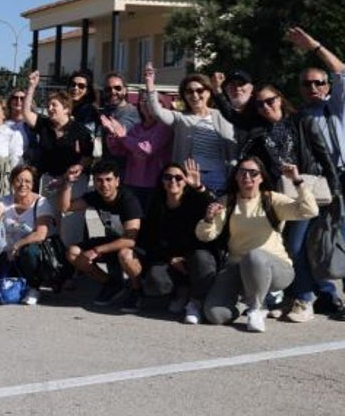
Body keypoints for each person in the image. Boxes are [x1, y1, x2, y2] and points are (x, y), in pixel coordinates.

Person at [236, 84, 340, 322]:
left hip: (304, 192)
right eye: (259, 104)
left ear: (280, 99)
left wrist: (334, 190)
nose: (265, 107)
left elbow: (323, 155)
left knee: (296, 246)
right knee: (286, 248)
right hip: (278, 197)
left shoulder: (301, 121)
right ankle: (293, 297)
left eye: (269, 101)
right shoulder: (259, 131)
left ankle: (305, 299)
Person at [199, 156, 318, 332]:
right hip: (238, 268)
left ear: (261, 177)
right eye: (242, 172)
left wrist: (297, 180)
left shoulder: (272, 199)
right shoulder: (228, 201)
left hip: (276, 269)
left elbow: (310, 211)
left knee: (254, 255)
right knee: (215, 315)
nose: (247, 176)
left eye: (253, 173)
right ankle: (243, 305)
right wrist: (208, 219)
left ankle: (256, 308)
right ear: (236, 176)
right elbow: (206, 236)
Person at [286, 26, 345, 319]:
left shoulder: (337, 107)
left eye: (318, 83)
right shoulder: (296, 118)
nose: (313, 89)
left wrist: (314, 46)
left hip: (342, 179)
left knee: (340, 242)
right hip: (310, 185)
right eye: (307, 85)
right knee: (299, 244)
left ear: (327, 86)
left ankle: (333, 297)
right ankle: (307, 296)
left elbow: (342, 71)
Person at [132, 160, 218, 324]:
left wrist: (199, 186)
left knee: (202, 260)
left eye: (179, 178)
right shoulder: (156, 204)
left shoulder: (196, 200)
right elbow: (149, 239)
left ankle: (195, 301)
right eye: (168, 177)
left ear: (185, 181)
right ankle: (181, 291)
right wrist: (170, 258)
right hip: (169, 258)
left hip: (195, 254)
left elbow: (212, 205)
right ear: (161, 181)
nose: (173, 181)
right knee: (155, 281)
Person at [57, 158, 144, 309]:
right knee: (73, 253)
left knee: (125, 254)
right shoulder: (95, 197)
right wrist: (68, 182)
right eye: (99, 180)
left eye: (109, 180)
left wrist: (96, 250)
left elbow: (130, 240)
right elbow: (65, 207)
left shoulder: (128, 200)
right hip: (111, 242)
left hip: (136, 247)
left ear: (117, 181)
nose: (104, 185)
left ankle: (136, 290)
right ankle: (113, 284)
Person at [142, 64, 236, 195]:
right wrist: (149, 82)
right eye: (189, 91)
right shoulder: (180, 117)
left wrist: (219, 88)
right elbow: (156, 111)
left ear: (209, 92)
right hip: (187, 178)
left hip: (218, 177)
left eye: (200, 90)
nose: (195, 95)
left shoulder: (221, 115)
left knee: (216, 213)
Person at [0, 164, 59, 306]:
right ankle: (19, 282)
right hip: (12, 252)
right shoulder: (6, 200)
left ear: (33, 184)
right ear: (12, 182)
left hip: (35, 251)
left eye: (27, 181)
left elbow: (40, 234)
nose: (23, 184)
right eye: (18, 180)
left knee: (28, 252)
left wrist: (16, 246)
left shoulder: (41, 202)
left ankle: (34, 287)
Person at [22, 70, 93, 193]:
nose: (49, 109)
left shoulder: (80, 130)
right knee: (47, 212)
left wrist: (76, 169)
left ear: (66, 109)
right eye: (48, 105)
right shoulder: (45, 124)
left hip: (73, 182)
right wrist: (32, 86)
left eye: (54, 105)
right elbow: (26, 113)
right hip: (48, 181)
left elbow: (87, 157)